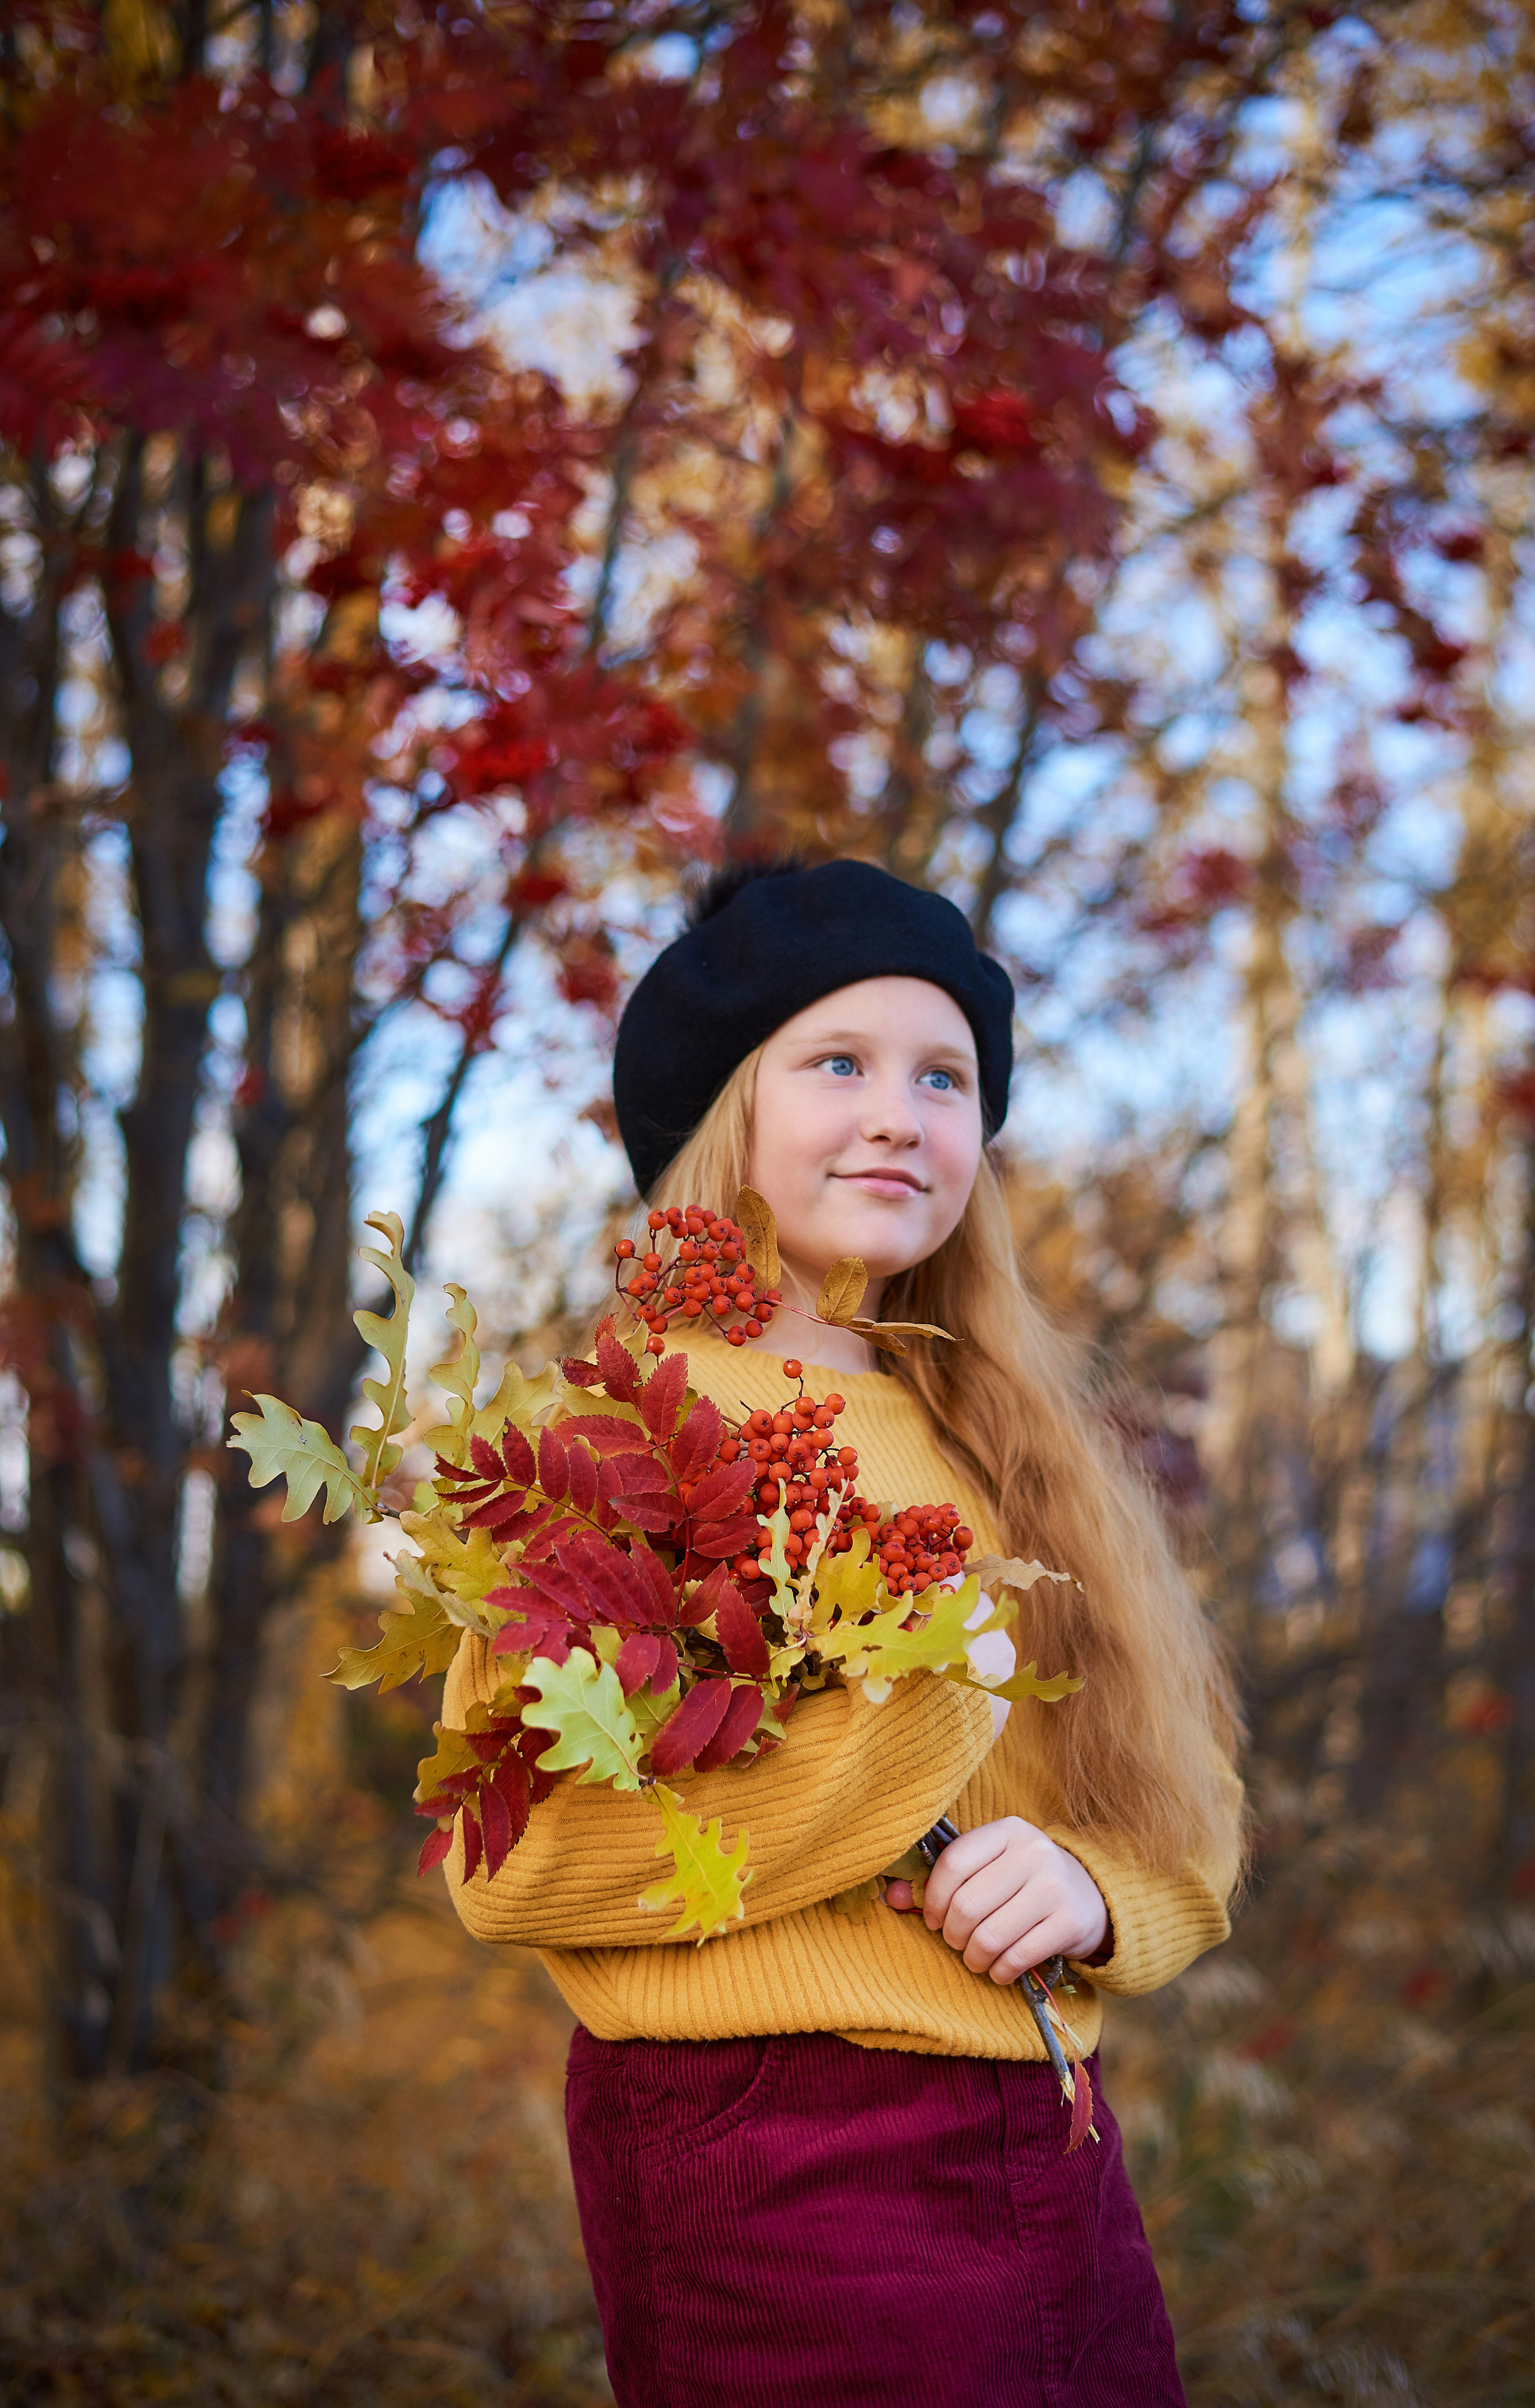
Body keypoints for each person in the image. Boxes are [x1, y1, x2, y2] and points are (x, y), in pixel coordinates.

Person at [443, 858, 1245, 2407]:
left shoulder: (1004, 1445)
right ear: (724, 1114)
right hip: (768, 2147)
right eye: (838, 1063)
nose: (900, 1113)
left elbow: (1184, 1810)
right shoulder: (612, 1434)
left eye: (943, 1078)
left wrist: (1094, 1888)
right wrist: (903, 1734)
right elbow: (518, 1858)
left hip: (1051, 2137)